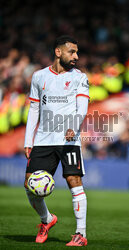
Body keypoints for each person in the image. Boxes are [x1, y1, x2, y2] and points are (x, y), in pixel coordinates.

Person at [24, 35, 89, 246]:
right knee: (29, 185)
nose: (76, 56)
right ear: (58, 52)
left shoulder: (80, 77)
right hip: (42, 140)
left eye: (77, 52)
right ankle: (47, 220)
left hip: (68, 140)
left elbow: (82, 108)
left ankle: (81, 234)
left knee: (74, 182)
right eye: (72, 52)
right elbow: (34, 109)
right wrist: (28, 140)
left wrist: (74, 126)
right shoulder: (39, 77)